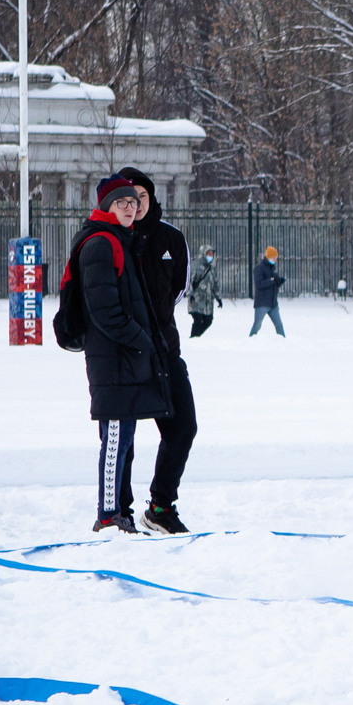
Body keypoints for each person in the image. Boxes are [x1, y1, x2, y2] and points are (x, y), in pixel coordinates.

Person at [62, 176, 173, 534]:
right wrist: (140, 339)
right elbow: (105, 310)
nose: (129, 208)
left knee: (123, 438)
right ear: (106, 207)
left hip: (122, 358)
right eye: (121, 203)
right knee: (115, 441)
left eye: (132, 203)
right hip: (112, 358)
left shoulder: (119, 240)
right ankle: (108, 514)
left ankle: (116, 514)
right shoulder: (100, 244)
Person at [115, 168, 198, 534]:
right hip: (125, 355)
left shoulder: (171, 239)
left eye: (141, 197)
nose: (135, 204)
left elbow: (179, 288)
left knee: (183, 426)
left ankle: (161, 507)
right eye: (128, 198)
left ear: (150, 198)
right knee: (123, 439)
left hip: (165, 351)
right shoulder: (111, 239)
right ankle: (119, 513)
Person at [250, 247, 285, 336]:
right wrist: (272, 280)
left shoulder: (273, 268)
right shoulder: (259, 268)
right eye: (274, 258)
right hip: (262, 303)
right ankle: (250, 341)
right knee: (257, 325)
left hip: (273, 304)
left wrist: (279, 281)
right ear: (268, 257)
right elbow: (259, 284)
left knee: (279, 325)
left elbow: (274, 284)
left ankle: (283, 342)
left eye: (276, 258)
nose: (275, 260)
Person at [188, 245, 218, 338]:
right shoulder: (195, 266)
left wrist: (218, 298)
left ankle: (196, 337)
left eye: (212, 254)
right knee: (197, 321)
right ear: (203, 254)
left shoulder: (211, 268)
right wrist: (190, 294)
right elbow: (189, 282)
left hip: (208, 302)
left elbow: (215, 284)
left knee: (208, 320)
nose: (210, 256)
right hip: (196, 300)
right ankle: (194, 338)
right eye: (209, 254)